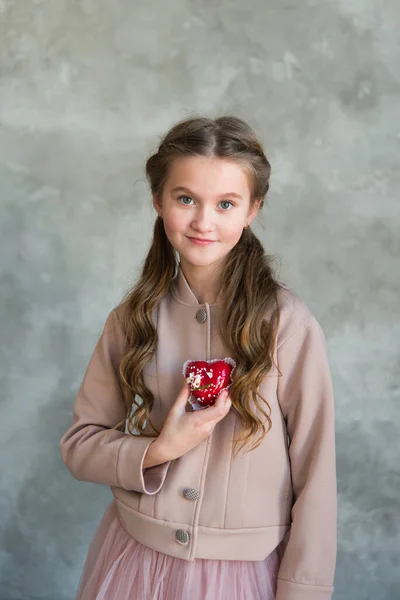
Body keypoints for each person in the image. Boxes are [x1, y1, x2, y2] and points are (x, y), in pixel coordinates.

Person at [60, 115, 337, 600]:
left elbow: (316, 474)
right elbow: (79, 447)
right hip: (135, 561)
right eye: (185, 199)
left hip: (241, 574)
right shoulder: (131, 319)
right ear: (157, 200)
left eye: (225, 204)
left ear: (252, 209)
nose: (203, 222)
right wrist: (159, 449)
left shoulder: (289, 325)